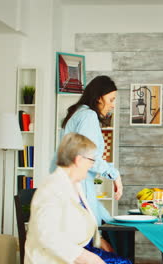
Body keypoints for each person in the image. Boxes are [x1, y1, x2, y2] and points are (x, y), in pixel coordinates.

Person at [25, 133, 131, 264]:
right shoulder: (52, 189)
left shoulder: (75, 184)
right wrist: (88, 258)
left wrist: (99, 240)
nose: (92, 165)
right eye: (91, 160)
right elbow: (47, 236)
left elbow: (83, 221)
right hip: (55, 258)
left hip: (80, 250)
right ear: (79, 160)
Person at [52, 75, 123, 253]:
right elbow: (86, 156)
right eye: (111, 99)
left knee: (113, 232)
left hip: (74, 198)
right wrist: (114, 174)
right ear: (99, 97)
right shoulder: (88, 115)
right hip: (78, 201)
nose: (113, 104)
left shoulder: (77, 114)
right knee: (119, 252)